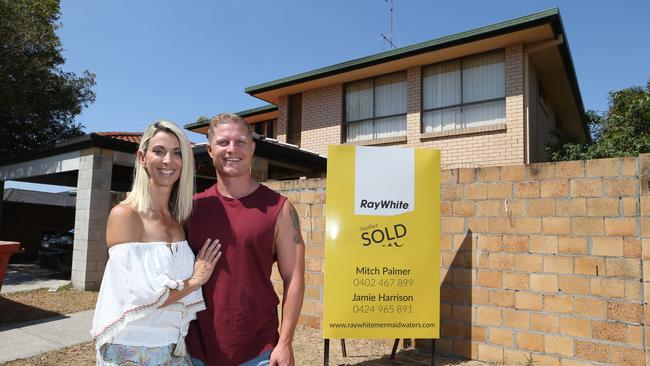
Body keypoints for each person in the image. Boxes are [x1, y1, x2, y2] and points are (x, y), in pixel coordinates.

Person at [91, 121, 222, 365]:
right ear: (142, 157)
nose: (168, 161)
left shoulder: (177, 220)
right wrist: (196, 280)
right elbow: (140, 297)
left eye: (177, 153)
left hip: (174, 346)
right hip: (131, 348)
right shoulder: (125, 215)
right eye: (159, 151)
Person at [186, 113, 305, 366]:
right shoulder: (191, 209)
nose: (232, 149)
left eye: (240, 142)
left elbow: (293, 277)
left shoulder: (279, 208)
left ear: (252, 148)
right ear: (209, 149)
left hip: (258, 352)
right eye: (223, 142)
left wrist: (285, 343)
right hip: (196, 352)